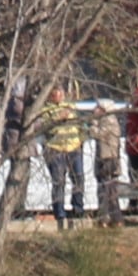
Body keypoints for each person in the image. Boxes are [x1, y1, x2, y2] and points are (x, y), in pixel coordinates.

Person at [39, 90, 91, 221]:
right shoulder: (45, 110)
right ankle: (59, 212)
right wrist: (58, 118)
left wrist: (81, 140)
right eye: (57, 94)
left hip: (73, 147)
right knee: (58, 181)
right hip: (55, 148)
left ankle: (78, 208)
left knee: (78, 178)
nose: (60, 96)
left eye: (62, 94)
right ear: (51, 95)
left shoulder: (71, 107)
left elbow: (82, 125)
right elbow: (45, 129)